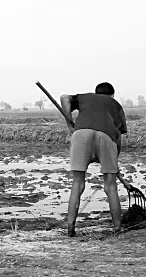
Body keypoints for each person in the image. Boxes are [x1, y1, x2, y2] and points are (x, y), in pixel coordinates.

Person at [59, 82, 128, 237]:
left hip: (80, 134)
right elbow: (117, 138)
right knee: (110, 187)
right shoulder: (116, 105)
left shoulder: (86, 98)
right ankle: (118, 229)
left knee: (77, 184)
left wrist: (70, 123)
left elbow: (64, 98)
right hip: (106, 136)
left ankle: (70, 229)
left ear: (96, 93)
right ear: (112, 95)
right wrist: (113, 163)